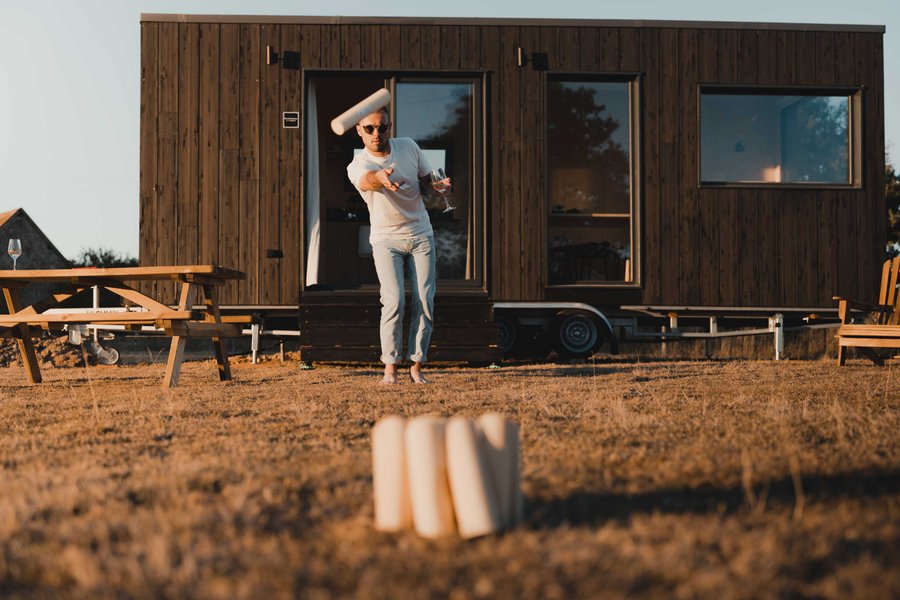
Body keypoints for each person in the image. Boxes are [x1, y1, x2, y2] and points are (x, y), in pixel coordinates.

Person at [346, 106, 448, 384]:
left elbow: (428, 181)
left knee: (424, 300)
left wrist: (438, 186)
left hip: (420, 234)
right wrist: (380, 178)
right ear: (359, 131)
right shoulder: (358, 165)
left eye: (382, 127)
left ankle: (416, 364)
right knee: (393, 301)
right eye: (369, 129)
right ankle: (390, 367)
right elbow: (367, 180)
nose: (376, 133)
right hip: (385, 239)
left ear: (390, 126)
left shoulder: (409, 147)